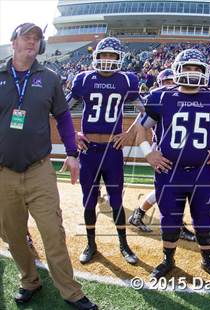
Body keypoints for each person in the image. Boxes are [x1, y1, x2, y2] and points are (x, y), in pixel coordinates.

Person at [0, 23, 97, 309]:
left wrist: (72, 153)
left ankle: (71, 292)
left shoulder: (51, 78)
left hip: (39, 169)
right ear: (14, 42)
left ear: (41, 46)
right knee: (14, 235)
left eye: (36, 39)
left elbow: (64, 118)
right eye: (26, 37)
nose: (31, 42)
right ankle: (29, 281)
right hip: (3, 173)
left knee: (53, 232)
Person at [126, 49, 210, 279]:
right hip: (170, 171)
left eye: (197, 69)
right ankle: (168, 259)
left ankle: (207, 260)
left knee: (205, 217)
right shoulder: (162, 96)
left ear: (206, 72)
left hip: (203, 171)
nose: (193, 73)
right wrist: (149, 154)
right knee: (170, 218)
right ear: (178, 69)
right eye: (188, 68)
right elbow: (141, 128)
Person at [66, 37, 140, 265]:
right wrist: (73, 135)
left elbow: (147, 112)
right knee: (89, 201)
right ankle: (91, 244)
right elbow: (62, 111)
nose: (107, 60)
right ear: (96, 56)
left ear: (119, 58)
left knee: (116, 200)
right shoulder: (84, 79)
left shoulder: (127, 80)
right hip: (89, 150)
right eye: (104, 54)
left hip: (112, 150)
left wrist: (129, 133)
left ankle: (123, 244)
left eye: (112, 55)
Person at [128, 69, 196, 241]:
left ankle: (139, 214)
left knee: (166, 189)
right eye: (166, 82)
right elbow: (140, 120)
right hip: (161, 150)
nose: (170, 84)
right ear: (160, 83)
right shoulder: (158, 98)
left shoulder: (181, 99)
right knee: (171, 188)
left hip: (177, 149)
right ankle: (177, 224)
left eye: (173, 81)